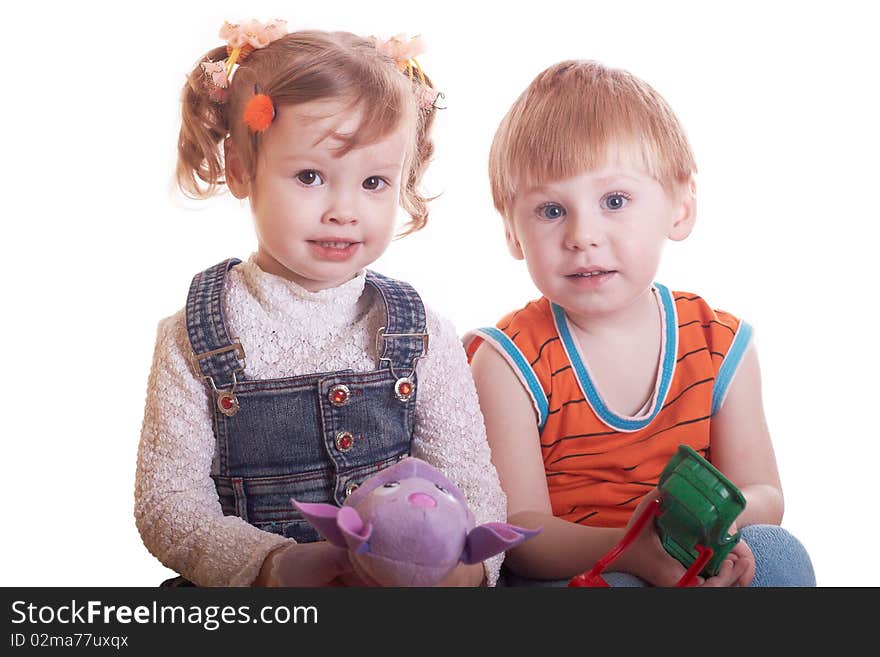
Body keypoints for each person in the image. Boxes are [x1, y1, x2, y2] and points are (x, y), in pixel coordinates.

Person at [135, 19, 506, 587]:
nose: (344, 210)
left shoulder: (423, 334)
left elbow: (469, 481)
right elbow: (170, 505)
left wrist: (463, 570)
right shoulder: (193, 337)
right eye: (310, 176)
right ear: (240, 169)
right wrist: (274, 565)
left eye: (375, 182)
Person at [464, 60, 815, 587]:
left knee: (778, 554)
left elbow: (763, 492)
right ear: (512, 232)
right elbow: (522, 537)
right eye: (551, 211)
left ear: (680, 206)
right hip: (585, 568)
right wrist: (630, 551)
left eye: (615, 201)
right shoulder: (507, 362)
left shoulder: (720, 345)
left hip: (694, 554)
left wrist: (713, 538)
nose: (583, 235)